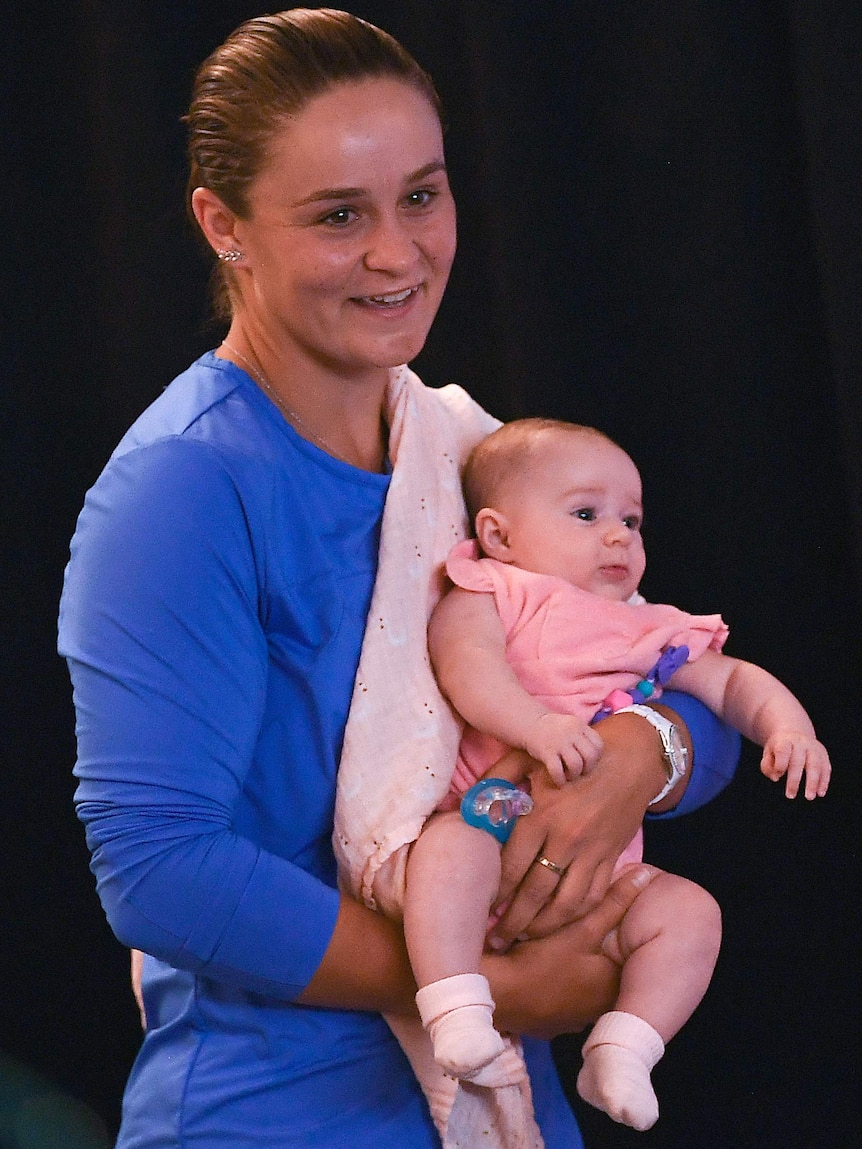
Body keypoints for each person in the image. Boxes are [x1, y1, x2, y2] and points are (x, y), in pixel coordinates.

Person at [57, 10, 741, 1149]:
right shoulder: (181, 491)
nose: (397, 253)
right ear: (222, 225)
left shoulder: (460, 448)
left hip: (492, 1100)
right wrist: (481, 984)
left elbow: (673, 669)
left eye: (421, 196)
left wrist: (639, 756)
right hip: (277, 1111)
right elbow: (159, 869)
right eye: (338, 215)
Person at [411, 417, 831, 1131]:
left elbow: (731, 685)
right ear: (501, 534)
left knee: (692, 913)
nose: (619, 536)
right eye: (587, 513)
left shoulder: (650, 625)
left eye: (631, 520)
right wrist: (536, 726)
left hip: (599, 872)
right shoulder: (497, 590)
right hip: (492, 815)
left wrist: (789, 726)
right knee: (446, 852)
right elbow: (466, 667)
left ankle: (625, 1046)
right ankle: (454, 1003)